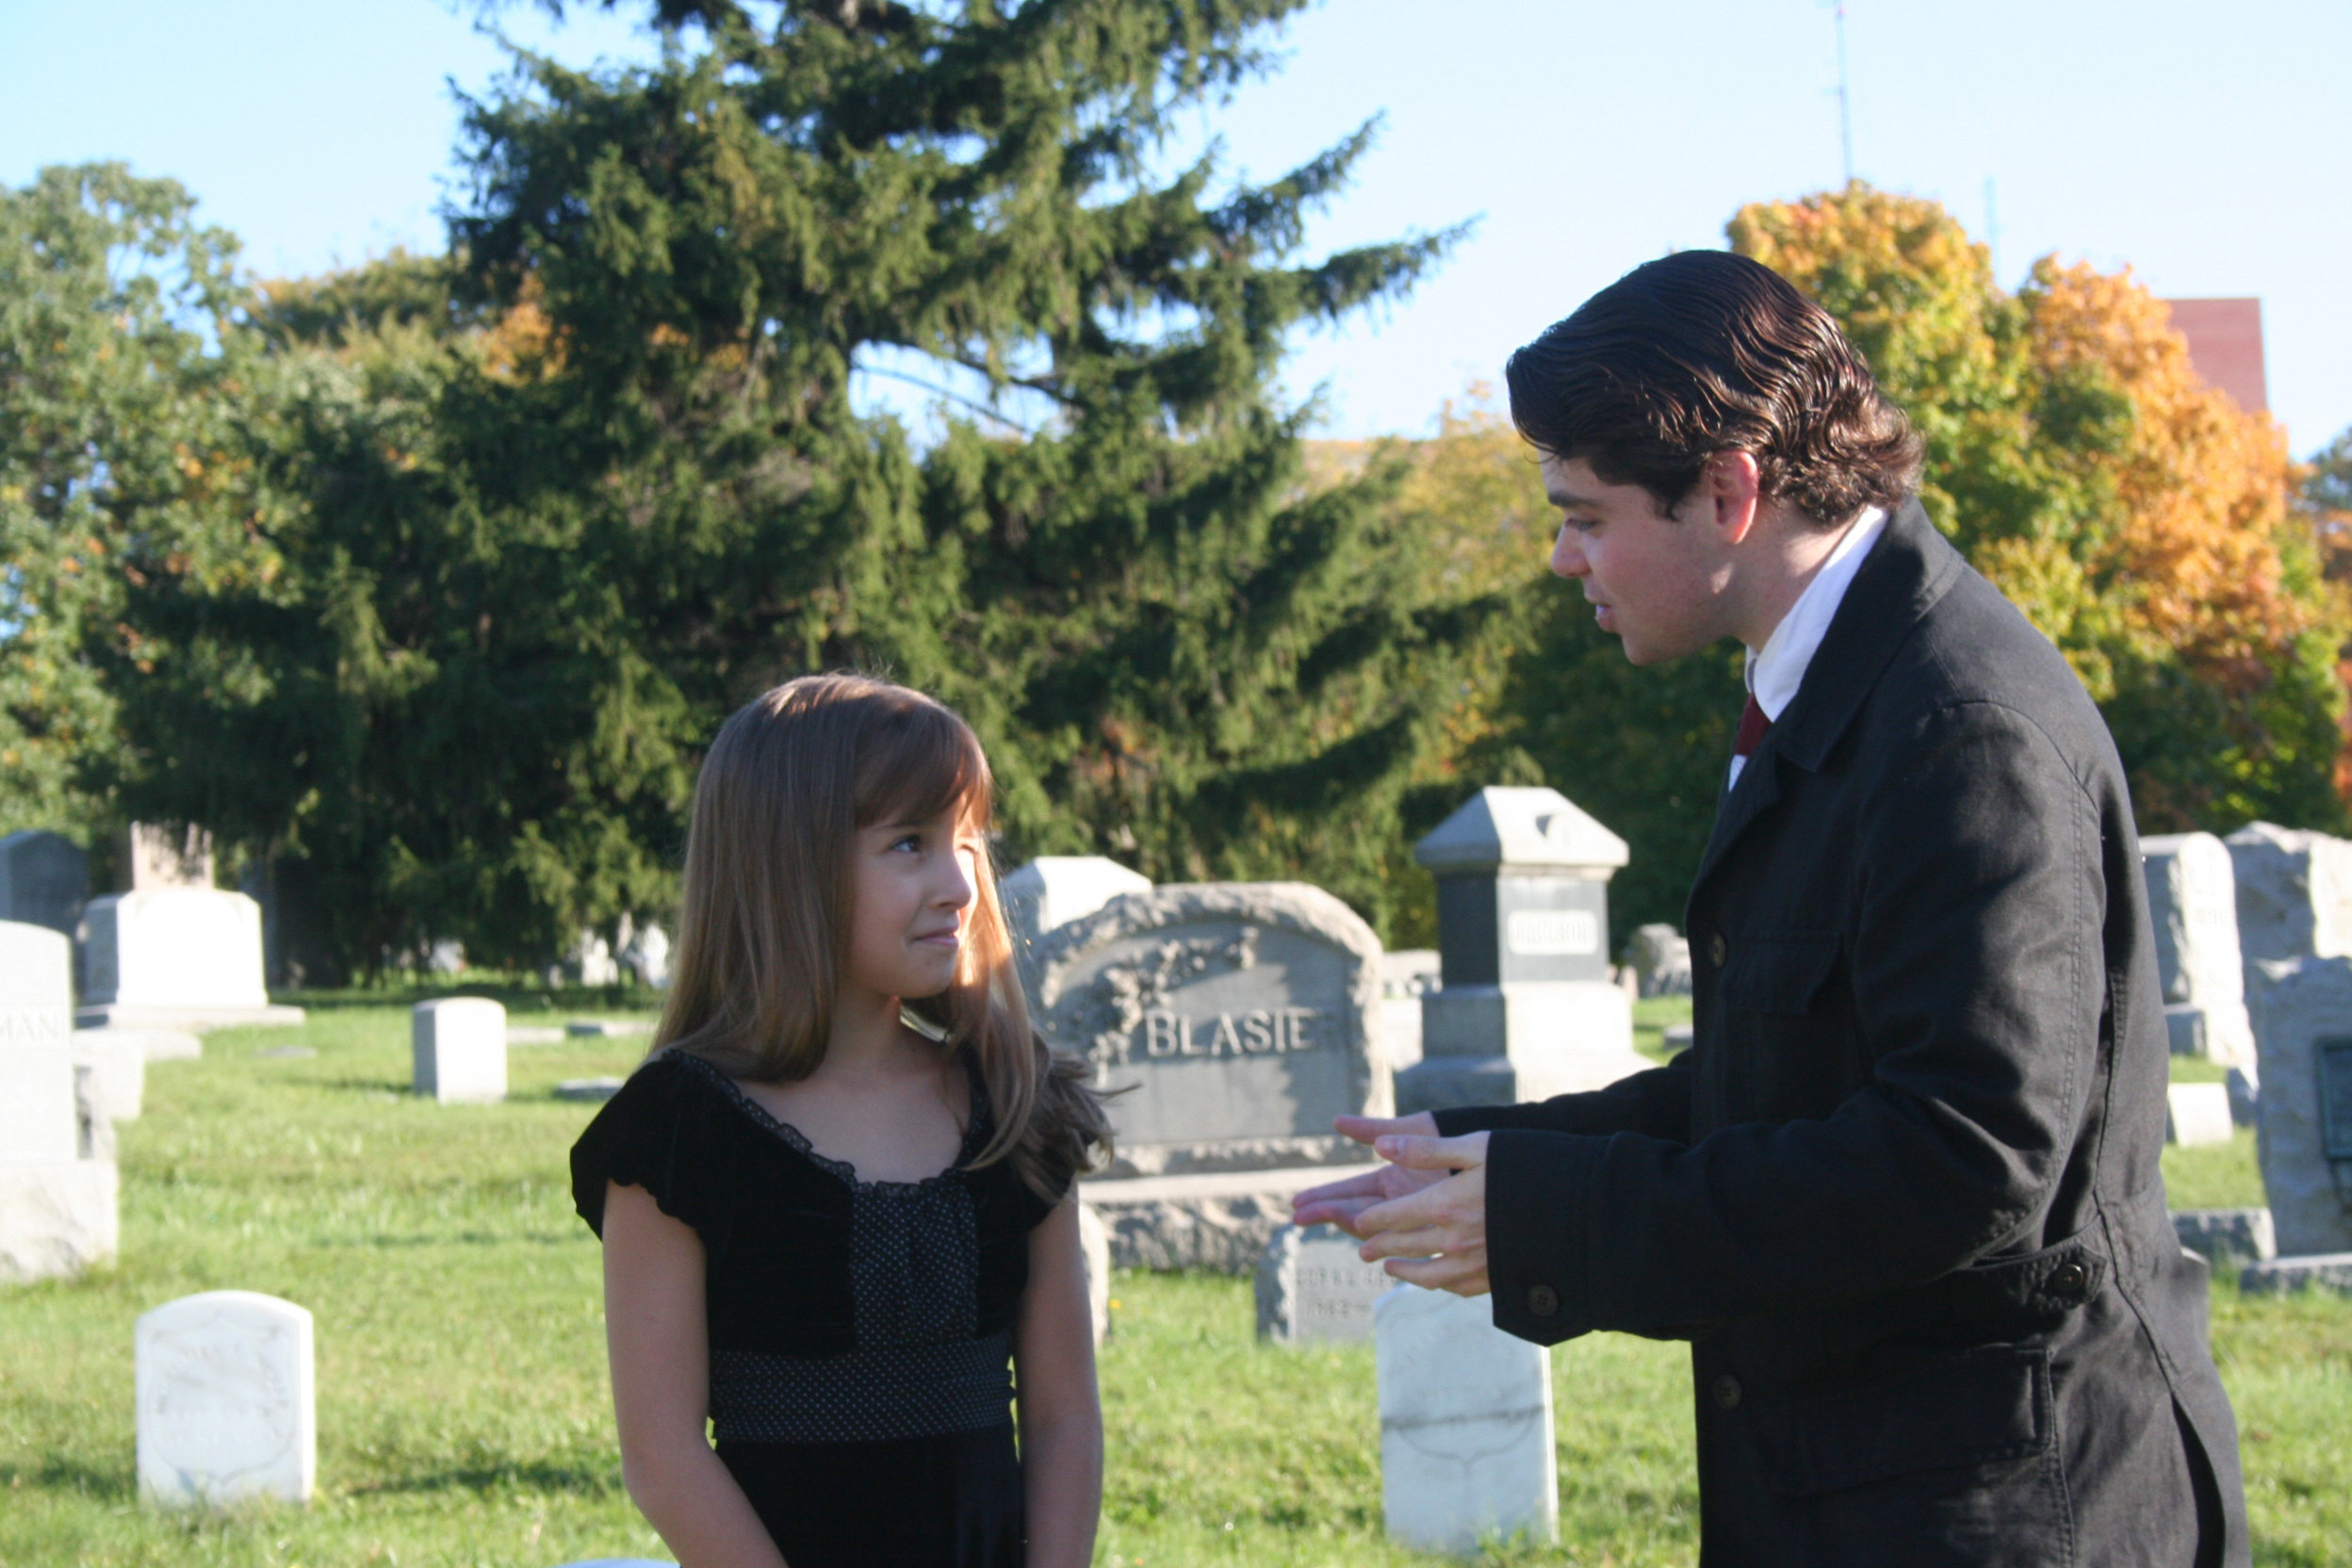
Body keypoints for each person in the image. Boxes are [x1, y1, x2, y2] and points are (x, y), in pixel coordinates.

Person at [1297, 251, 2248, 1567]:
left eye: (1584, 514)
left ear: (1731, 489)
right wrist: (1493, 1157)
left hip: (2006, 1507)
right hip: (1875, 1481)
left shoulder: (1958, 726)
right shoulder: (1837, 682)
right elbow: (1787, 1075)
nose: (1564, 557)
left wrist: (1555, 1219)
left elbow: (1965, 1162)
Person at [570, 674, 1111, 1568]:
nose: (960, 884)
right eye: (910, 844)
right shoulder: (678, 1135)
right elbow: (664, 1459)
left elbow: (1063, 1416)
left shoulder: (1018, 1103)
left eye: (969, 842)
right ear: (789, 864)